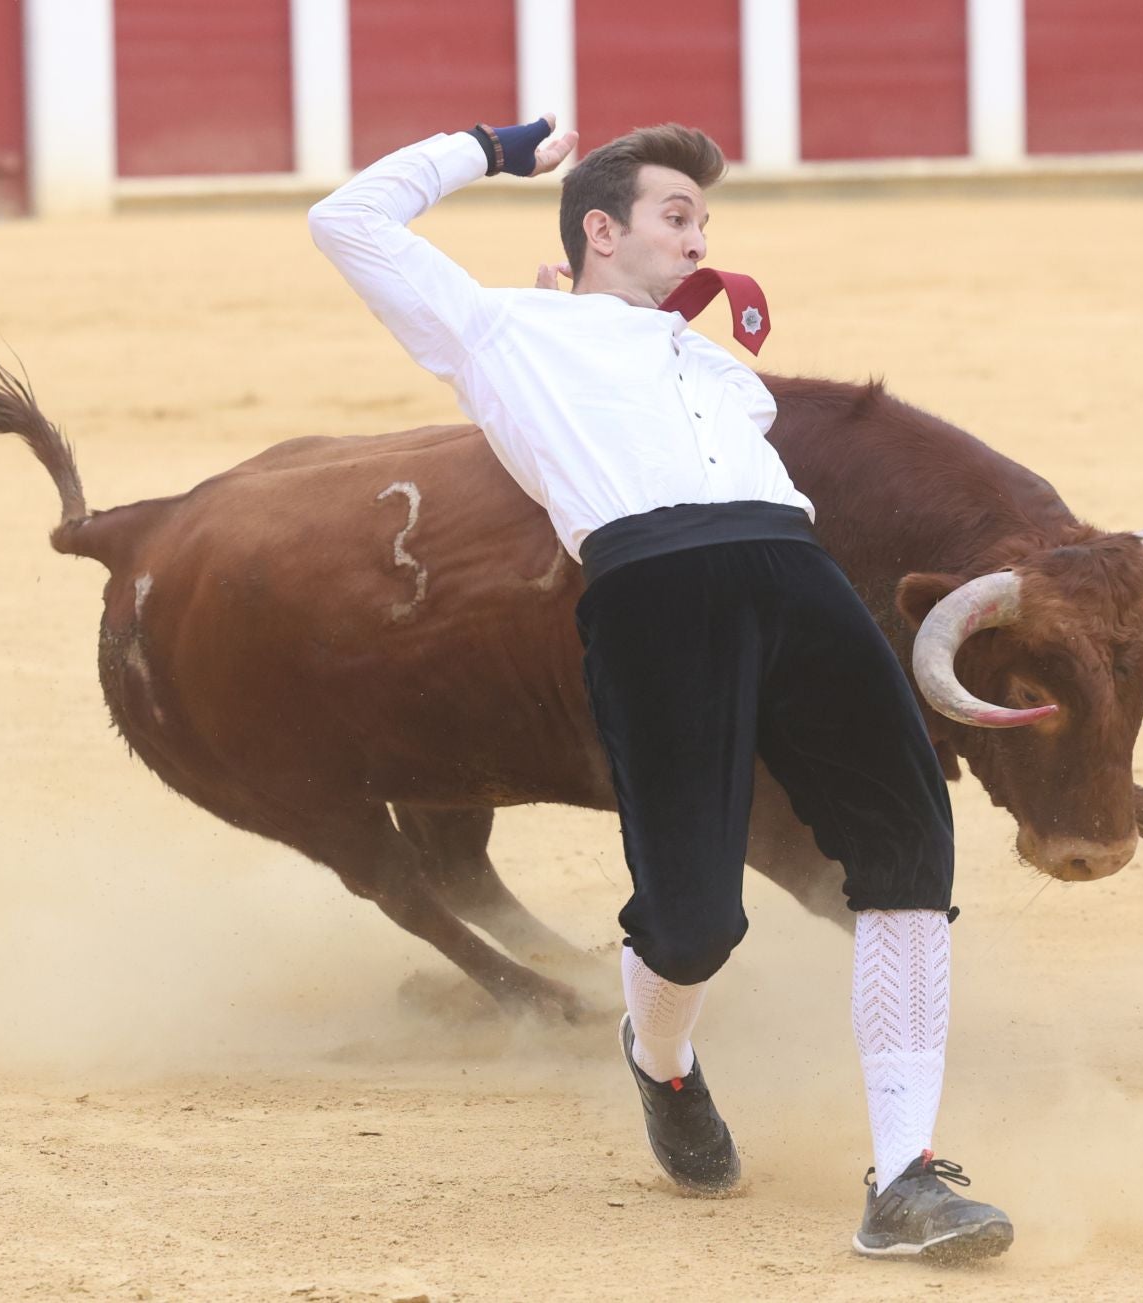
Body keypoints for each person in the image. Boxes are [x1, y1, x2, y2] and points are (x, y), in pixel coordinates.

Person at [308, 114, 1013, 1262]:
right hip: (654, 586)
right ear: (600, 228)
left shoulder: (718, 369)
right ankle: (662, 1058)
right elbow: (346, 221)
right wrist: (488, 147)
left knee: (909, 859)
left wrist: (657, 331)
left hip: (797, 569)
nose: (697, 242)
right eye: (674, 217)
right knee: (691, 924)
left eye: (703, 223)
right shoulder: (503, 327)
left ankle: (906, 1177)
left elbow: (745, 434)